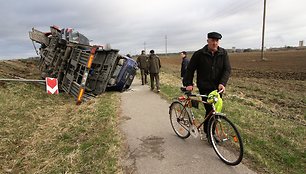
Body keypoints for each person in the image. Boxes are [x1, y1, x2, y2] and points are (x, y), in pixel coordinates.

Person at [183, 31, 231, 135]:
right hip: (205, 86)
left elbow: (227, 69)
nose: (215, 43)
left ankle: (209, 132)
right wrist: (188, 83)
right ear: (207, 41)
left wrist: (222, 83)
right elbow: (190, 69)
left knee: (216, 110)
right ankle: (210, 134)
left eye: (217, 41)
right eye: (212, 40)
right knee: (210, 110)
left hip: (218, 88)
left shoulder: (223, 53)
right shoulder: (199, 54)